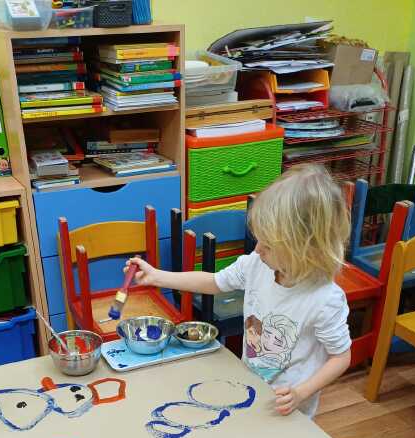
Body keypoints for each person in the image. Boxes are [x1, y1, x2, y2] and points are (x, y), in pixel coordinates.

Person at [128, 164, 352, 417]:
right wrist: (157, 276)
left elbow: (340, 357)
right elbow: (214, 282)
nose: (257, 249)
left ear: (304, 249)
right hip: (251, 388)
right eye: (258, 239)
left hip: (290, 409)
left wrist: (301, 392)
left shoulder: (325, 299)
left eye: (268, 245)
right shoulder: (257, 264)